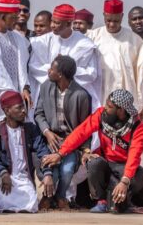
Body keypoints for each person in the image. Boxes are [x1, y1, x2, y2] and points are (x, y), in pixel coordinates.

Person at [42, 89, 143, 214]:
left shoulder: (138, 128)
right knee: (93, 162)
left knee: (141, 175)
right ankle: (101, 200)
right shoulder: (101, 115)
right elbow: (80, 133)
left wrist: (125, 181)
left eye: (109, 106)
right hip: (106, 163)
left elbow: (134, 156)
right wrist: (60, 153)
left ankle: (120, 196)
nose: (105, 108)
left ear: (121, 110)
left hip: (124, 167)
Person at [34, 55, 91, 209]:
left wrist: (85, 149)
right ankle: (47, 197)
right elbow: (38, 114)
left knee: (66, 170)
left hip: (70, 142)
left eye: (52, 69)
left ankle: (60, 196)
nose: (48, 71)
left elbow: (85, 128)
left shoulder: (81, 95)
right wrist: (46, 132)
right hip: (48, 138)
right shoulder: (45, 86)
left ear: (60, 74)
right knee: (52, 172)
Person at [0, 90, 54, 213]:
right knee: (5, 203)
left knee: (31, 205)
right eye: (19, 108)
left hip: (24, 179)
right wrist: (4, 173)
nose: (24, 111)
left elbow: (43, 150)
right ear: (7, 111)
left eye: (23, 107)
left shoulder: (30, 129)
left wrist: (48, 173)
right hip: (5, 178)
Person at [87, 0, 143, 121]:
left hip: (125, 97)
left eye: (116, 21)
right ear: (104, 15)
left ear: (122, 17)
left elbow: (142, 70)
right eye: (108, 20)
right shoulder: (93, 37)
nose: (111, 24)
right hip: (101, 93)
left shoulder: (134, 40)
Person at [29, 3, 101, 111]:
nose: (52, 25)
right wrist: (55, 72)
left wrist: (65, 72)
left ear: (68, 23)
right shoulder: (42, 41)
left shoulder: (85, 44)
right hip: (49, 93)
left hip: (75, 95)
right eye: (52, 21)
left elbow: (91, 73)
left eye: (57, 23)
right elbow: (34, 66)